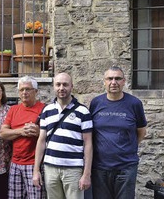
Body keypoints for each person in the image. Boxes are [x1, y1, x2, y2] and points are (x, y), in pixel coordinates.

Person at [89, 67, 147, 199]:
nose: (113, 82)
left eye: (118, 78)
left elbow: (141, 131)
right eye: (110, 78)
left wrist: (127, 147)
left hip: (126, 167)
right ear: (104, 82)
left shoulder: (134, 103)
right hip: (100, 167)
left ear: (124, 81)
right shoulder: (96, 103)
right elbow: (90, 132)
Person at [33, 73, 93, 199]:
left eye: (65, 84)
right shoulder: (47, 110)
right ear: (53, 87)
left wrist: (86, 173)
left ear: (72, 86)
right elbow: (41, 141)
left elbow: (88, 144)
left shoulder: (83, 111)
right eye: (58, 84)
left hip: (73, 170)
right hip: (50, 168)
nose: (61, 88)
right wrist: (36, 170)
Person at [0, 76, 45, 199]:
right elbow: (3, 133)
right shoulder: (14, 109)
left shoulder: (44, 109)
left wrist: (39, 132)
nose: (24, 93)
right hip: (15, 163)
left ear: (36, 91)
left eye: (28, 89)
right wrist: (21, 131)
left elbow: (51, 135)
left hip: (34, 164)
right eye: (21, 90)